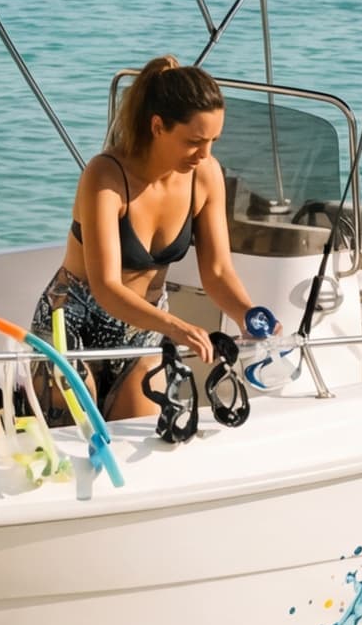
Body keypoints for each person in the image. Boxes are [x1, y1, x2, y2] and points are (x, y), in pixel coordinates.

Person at [26, 57, 256, 422]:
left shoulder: (206, 175)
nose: (206, 154)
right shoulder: (105, 176)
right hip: (71, 321)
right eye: (194, 141)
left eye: (213, 140)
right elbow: (105, 286)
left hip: (144, 327)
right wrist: (178, 328)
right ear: (157, 126)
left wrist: (248, 313)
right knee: (77, 432)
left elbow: (216, 270)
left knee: (140, 432)